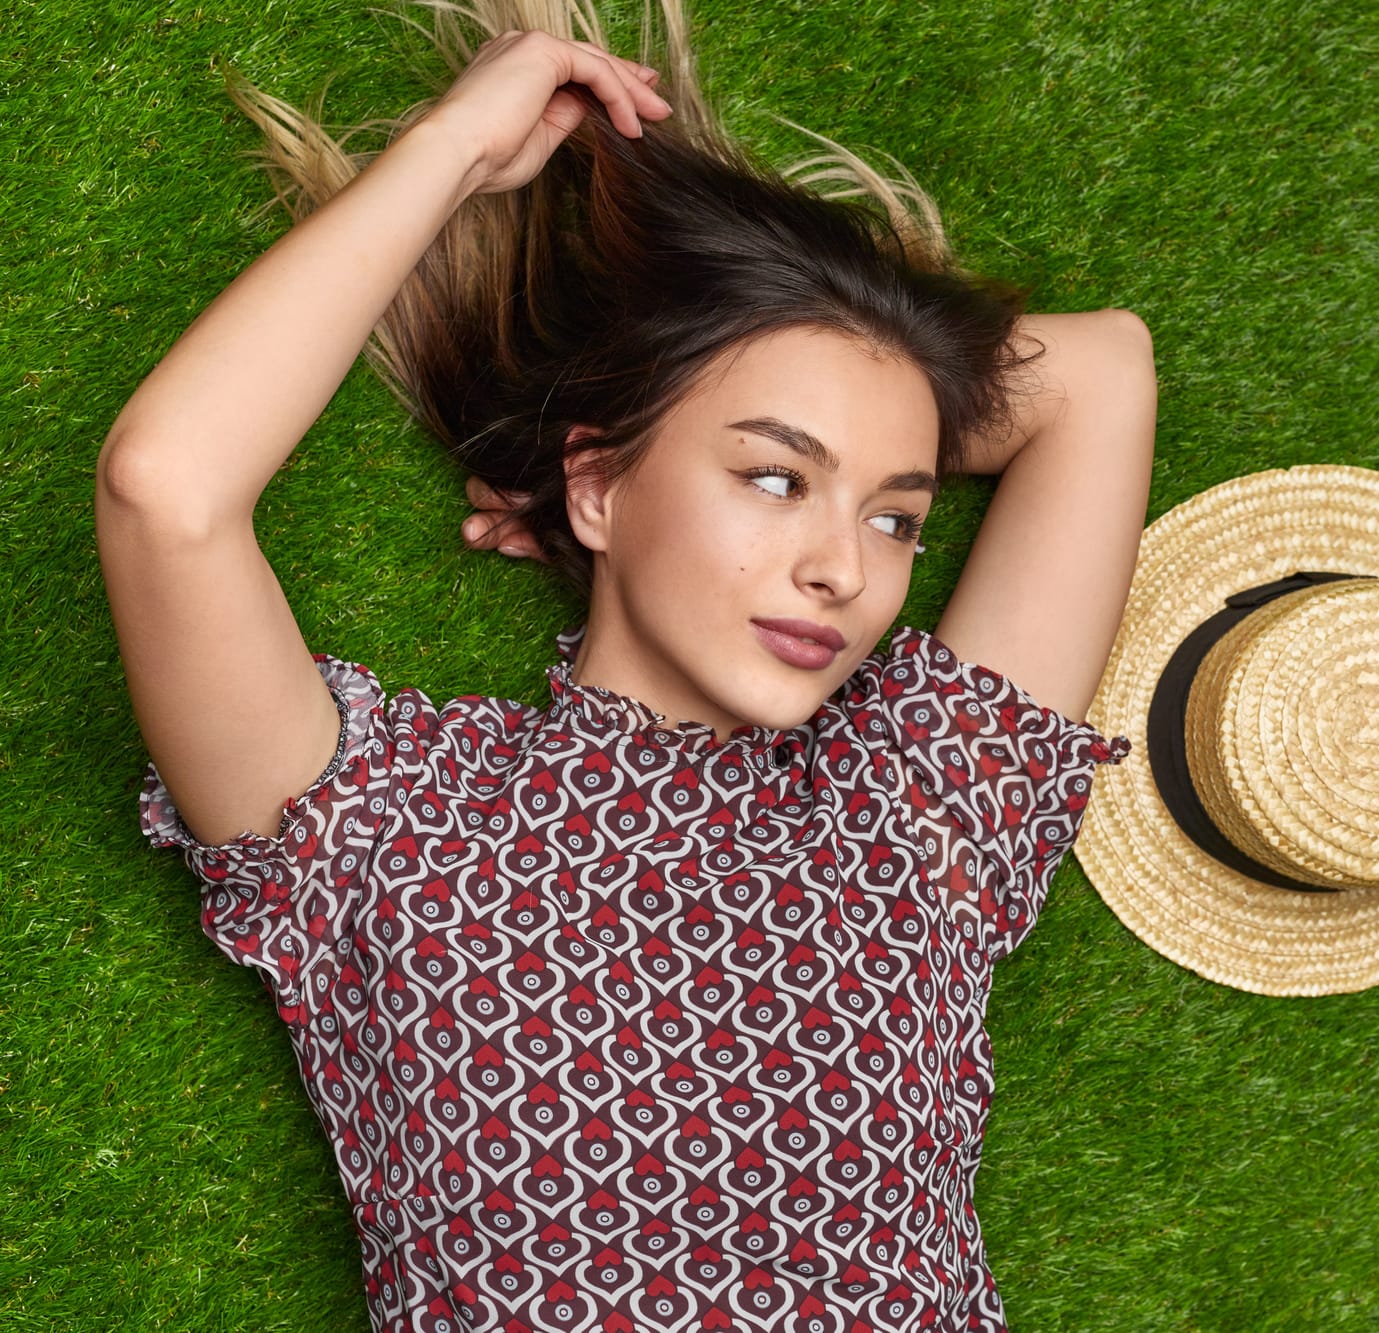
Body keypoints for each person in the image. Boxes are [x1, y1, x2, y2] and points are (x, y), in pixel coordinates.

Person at [92, 2, 1156, 1329]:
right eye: (775, 477)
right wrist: (453, 153)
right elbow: (166, 492)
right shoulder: (383, 826)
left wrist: (816, 424)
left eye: (898, 514)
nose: (848, 568)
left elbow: (1101, 376)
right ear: (596, 486)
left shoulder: (909, 813)